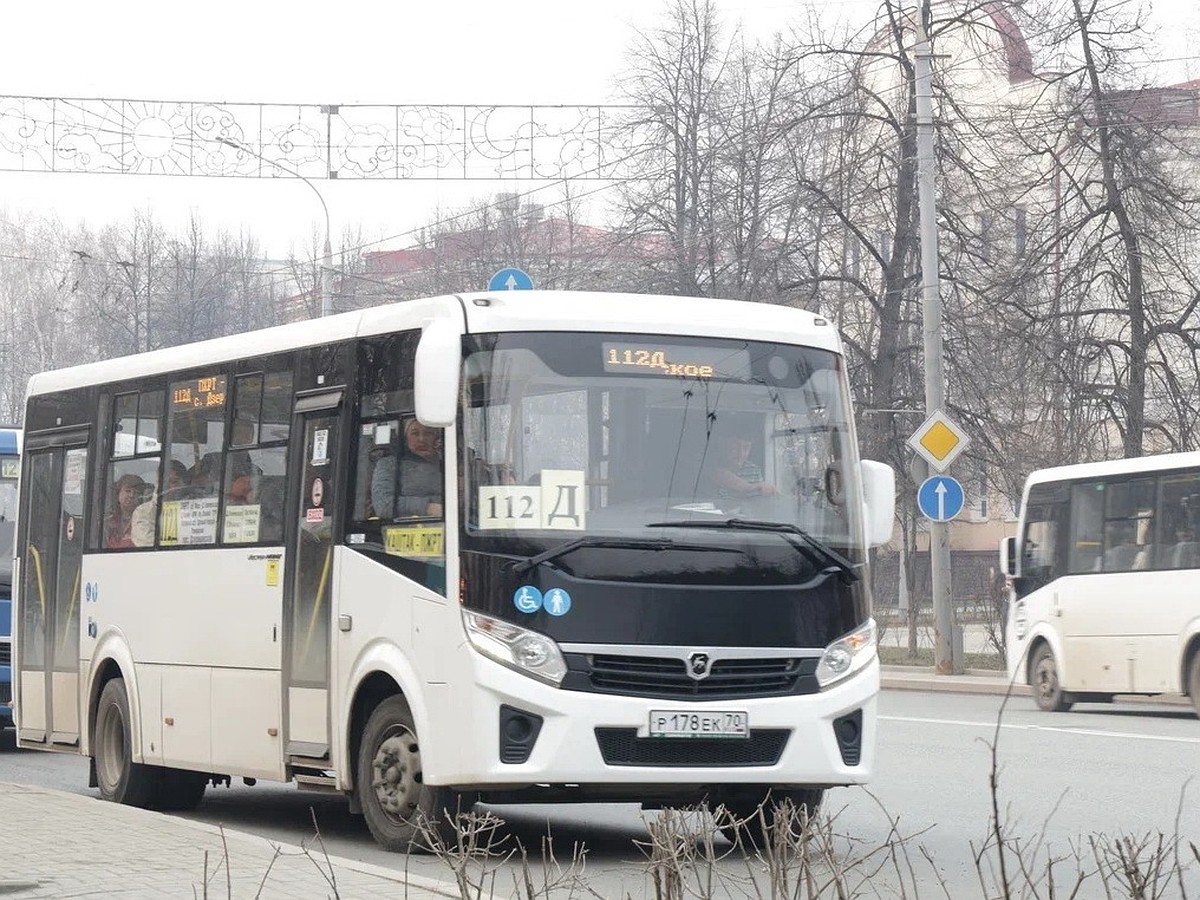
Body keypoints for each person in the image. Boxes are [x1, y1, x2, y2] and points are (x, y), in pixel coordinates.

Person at [371, 418, 444, 518]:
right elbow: (384, 505)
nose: (421, 439)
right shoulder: (389, 464)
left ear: (437, 438)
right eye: (415, 433)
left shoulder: (451, 464)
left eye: (428, 433)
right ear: (405, 439)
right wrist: (428, 507)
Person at [131, 460, 187, 547]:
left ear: (183, 484)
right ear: (157, 482)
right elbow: (146, 543)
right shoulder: (143, 511)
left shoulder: (193, 508)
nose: (167, 486)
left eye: (174, 482)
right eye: (163, 482)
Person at [707, 433, 777, 502]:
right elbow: (722, 475)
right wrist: (754, 487)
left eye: (746, 448)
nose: (741, 454)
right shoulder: (711, 467)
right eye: (734, 448)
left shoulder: (754, 470)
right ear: (724, 446)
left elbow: (758, 499)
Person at [106, 473, 147, 549]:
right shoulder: (107, 520)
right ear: (118, 493)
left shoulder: (144, 520)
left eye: (137, 493)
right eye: (128, 491)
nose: (131, 495)